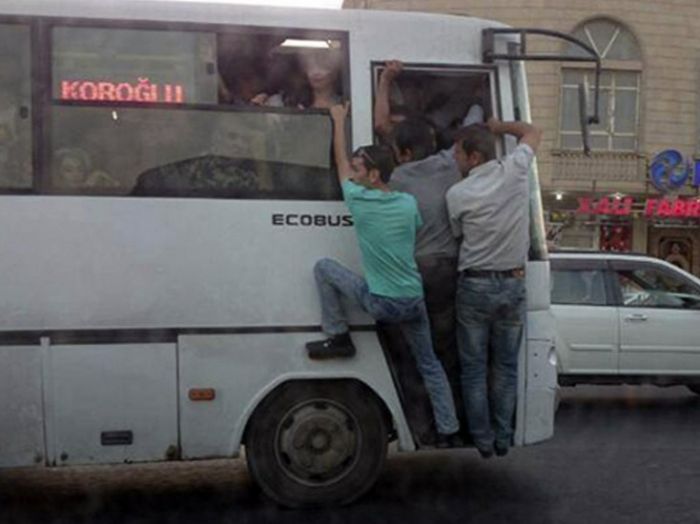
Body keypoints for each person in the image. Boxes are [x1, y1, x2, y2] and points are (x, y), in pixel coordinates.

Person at [306, 102, 461, 447]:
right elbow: (415, 229)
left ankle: (337, 334)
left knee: (324, 268)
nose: (356, 173)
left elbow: (339, 163)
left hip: (383, 303)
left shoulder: (360, 201)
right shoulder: (407, 204)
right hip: (414, 300)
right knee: (431, 365)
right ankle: (449, 427)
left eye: (362, 169)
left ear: (374, 175)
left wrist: (338, 121)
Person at [446, 118, 542, 458]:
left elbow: (457, 234)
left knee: (472, 369)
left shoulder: (457, 194)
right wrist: (498, 125)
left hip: (474, 286)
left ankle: (483, 440)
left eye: (458, 153)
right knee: (505, 367)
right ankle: (503, 437)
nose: (454, 159)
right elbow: (533, 132)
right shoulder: (515, 170)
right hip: (513, 284)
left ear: (473, 158)